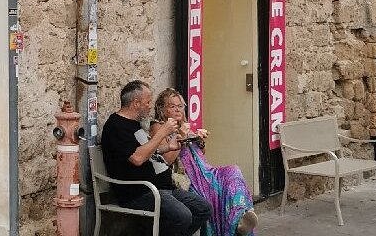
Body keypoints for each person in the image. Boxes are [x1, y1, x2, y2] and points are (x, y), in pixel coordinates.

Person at [102, 80, 212, 236]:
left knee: (204, 208)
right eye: (147, 102)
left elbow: (146, 151)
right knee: (182, 216)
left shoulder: (135, 124)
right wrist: (162, 133)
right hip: (139, 192)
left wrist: (168, 147)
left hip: (162, 187)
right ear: (136, 103)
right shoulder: (116, 126)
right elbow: (137, 158)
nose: (150, 106)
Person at [151, 88, 259, 236]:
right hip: (188, 178)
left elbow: (200, 155)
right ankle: (236, 223)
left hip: (206, 172)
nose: (177, 109)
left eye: (180, 106)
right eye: (172, 106)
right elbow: (165, 161)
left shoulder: (183, 125)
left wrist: (200, 142)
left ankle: (241, 216)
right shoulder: (158, 127)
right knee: (219, 190)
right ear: (162, 109)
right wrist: (182, 137)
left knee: (233, 171)